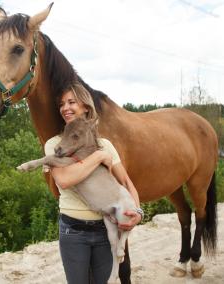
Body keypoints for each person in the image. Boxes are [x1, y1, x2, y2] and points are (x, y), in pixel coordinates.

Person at [44, 82, 143, 284]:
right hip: (73, 232)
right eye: (62, 104)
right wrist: (98, 157)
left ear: (86, 107)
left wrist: (138, 212)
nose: (65, 108)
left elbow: (125, 180)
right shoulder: (55, 144)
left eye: (72, 102)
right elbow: (64, 179)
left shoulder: (105, 144)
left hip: (103, 231)